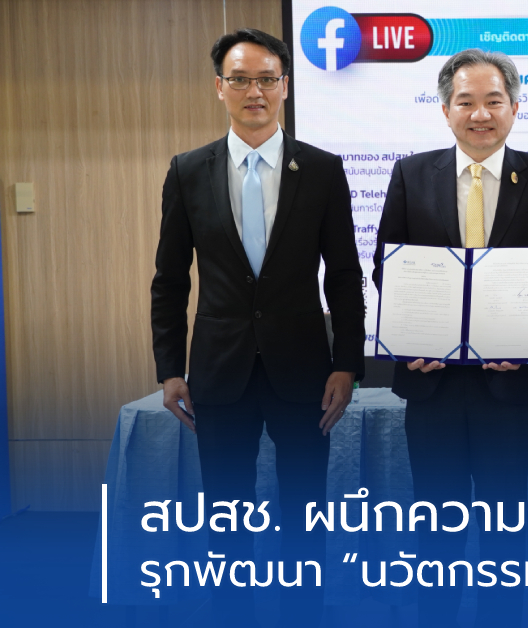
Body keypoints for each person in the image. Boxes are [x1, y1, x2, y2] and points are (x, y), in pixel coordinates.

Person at [150, 28, 364, 628]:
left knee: (305, 515)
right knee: (225, 517)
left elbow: (344, 275)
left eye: (267, 79)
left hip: (304, 371)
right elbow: (170, 279)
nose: (255, 92)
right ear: (219, 87)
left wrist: (347, 365)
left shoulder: (321, 169)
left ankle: (304, 616)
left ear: (285, 87)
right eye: (240, 79)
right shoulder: (188, 171)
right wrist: (169, 369)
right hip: (219, 372)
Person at [371, 49, 528, 628]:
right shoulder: (411, 174)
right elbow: (389, 266)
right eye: (466, 101)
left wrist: (522, 334)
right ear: (446, 110)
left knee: (504, 524)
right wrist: (413, 334)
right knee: (435, 526)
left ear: (514, 107)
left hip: (508, 386)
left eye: (494, 101)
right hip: (431, 383)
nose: (481, 114)